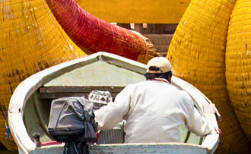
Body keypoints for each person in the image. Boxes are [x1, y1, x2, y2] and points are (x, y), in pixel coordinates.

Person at [92, 56, 220, 146]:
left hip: (133, 153)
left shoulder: (132, 90)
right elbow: (199, 127)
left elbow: (112, 113)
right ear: (169, 77)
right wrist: (212, 126)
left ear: (146, 76)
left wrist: (92, 121)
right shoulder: (182, 96)